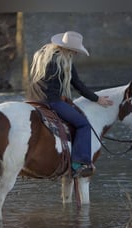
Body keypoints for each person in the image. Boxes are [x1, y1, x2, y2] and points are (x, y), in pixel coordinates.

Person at [27, 31, 113, 178]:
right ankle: (78, 164)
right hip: (51, 102)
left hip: (32, 99)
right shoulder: (64, 61)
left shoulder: (41, 55)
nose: (76, 54)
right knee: (83, 124)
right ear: (70, 49)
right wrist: (97, 99)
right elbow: (78, 85)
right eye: (75, 51)